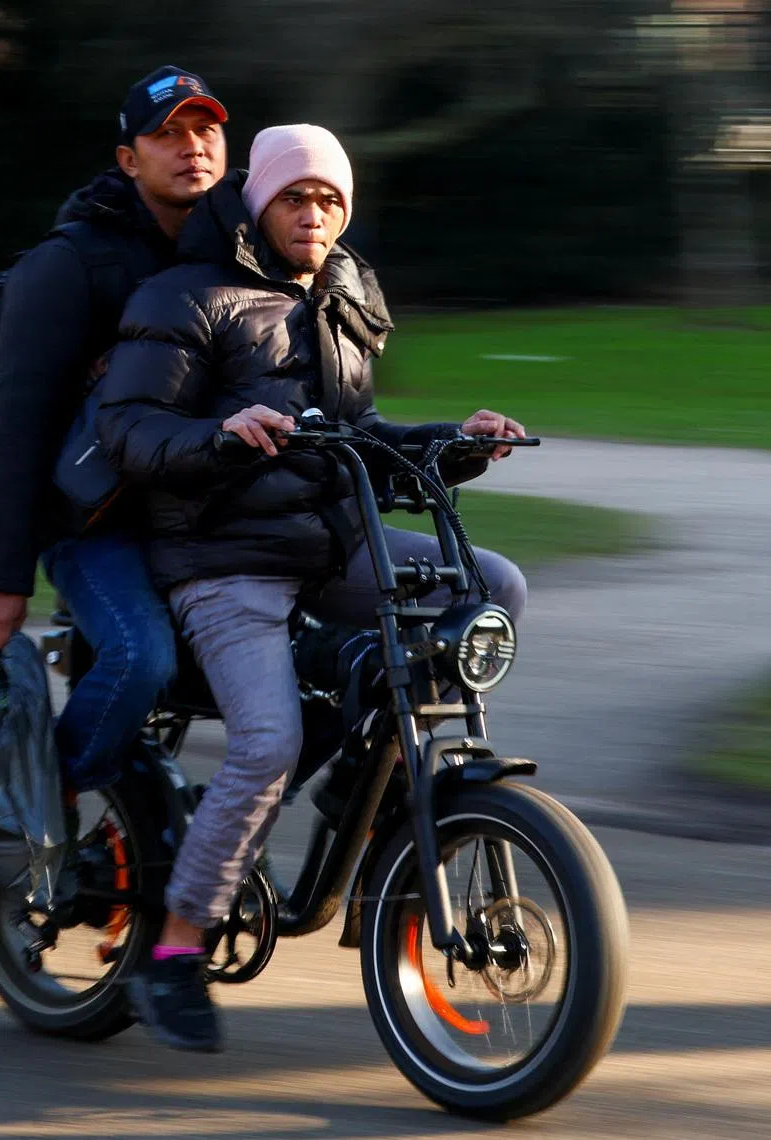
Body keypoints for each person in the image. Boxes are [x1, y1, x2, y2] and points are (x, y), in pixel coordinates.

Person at [96, 123, 527, 1052]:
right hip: (221, 557)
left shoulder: (341, 293)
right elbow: (129, 429)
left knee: (490, 584)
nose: (316, 213)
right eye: (297, 196)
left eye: (331, 198)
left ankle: (364, 795)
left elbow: (356, 435)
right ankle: (173, 953)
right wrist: (221, 435)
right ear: (259, 202)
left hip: (332, 545)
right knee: (267, 740)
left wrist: (457, 441)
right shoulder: (187, 296)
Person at [0, 66, 229, 795]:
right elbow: (15, 429)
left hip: (196, 514)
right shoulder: (68, 264)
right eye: (166, 134)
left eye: (205, 129)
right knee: (141, 658)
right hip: (88, 520)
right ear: (128, 159)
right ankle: (45, 807)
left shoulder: (239, 254)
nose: (191, 147)